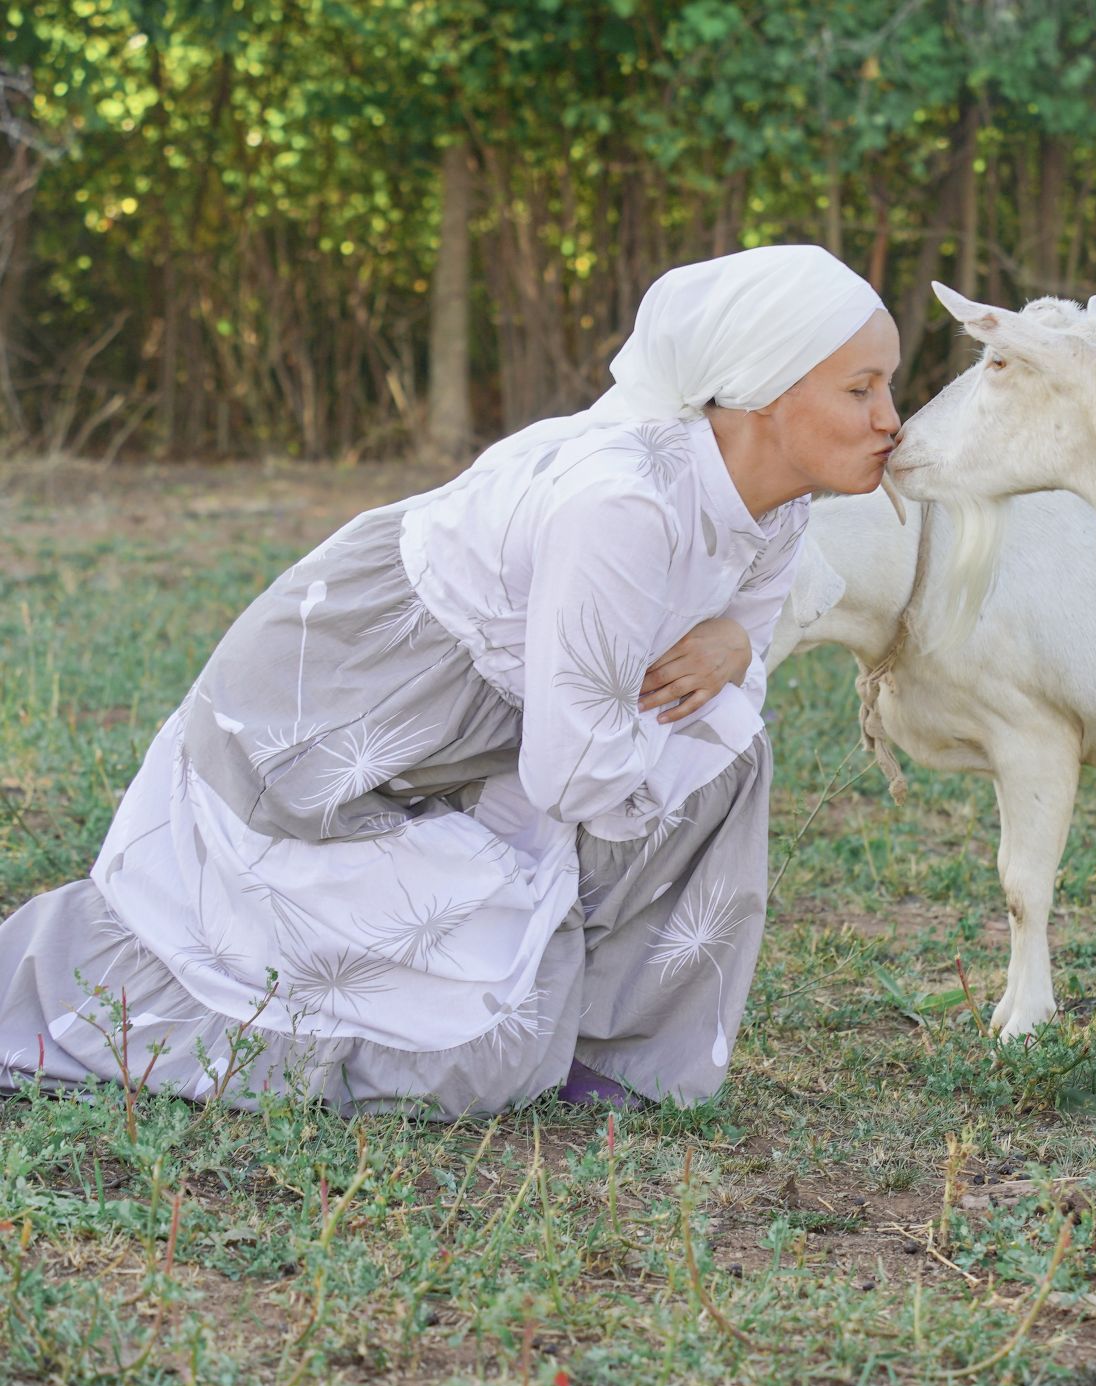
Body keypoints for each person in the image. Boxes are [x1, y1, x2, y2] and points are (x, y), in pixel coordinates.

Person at [0, 244, 901, 1116]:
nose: (890, 419)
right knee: (490, 1051)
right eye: (860, 390)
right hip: (342, 729)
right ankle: (67, 989)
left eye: (887, 386)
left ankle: (614, 1055)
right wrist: (546, 862)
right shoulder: (623, 503)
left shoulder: (777, 508)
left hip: (493, 739)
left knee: (724, 746)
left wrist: (736, 651)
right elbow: (575, 774)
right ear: (763, 392)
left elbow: (732, 656)